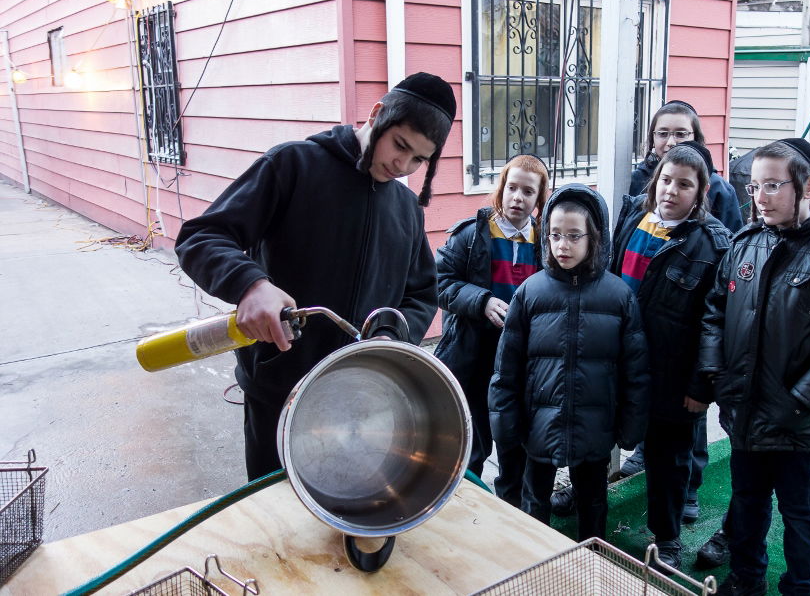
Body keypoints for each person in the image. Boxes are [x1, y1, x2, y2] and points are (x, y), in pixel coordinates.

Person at [175, 72, 456, 481]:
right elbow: (201, 237)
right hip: (278, 388)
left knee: (342, 504)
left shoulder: (407, 209)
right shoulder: (294, 165)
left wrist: (392, 336)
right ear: (377, 114)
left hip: (360, 400)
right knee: (275, 515)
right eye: (400, 145)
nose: (403, 165)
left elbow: (419, 295)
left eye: (418, 159)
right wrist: (251, 284)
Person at [690, 138, 810, 596]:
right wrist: (719, 375)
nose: (760, 197)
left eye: (773, 185)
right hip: (744, 409)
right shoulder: (745, 244)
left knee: (802, 511)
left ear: (808, 186)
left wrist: (802, 401)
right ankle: (746, 578)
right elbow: (716, 309)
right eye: (754, 186)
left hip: (800, 421)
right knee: (748, 502)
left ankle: (801, 587)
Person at [488, 184, 650, 540]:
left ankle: (592, 559)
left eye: (574, 236)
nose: (563, 245)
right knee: (535, 499)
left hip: (595, 424)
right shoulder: (530, 292)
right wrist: (506, 425)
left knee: (593, 499)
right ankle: (538, 560)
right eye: (555, 235)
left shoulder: (618, 296)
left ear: (594, 237)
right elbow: (506, 369)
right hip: (538, 424)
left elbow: (635, 371)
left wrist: (630, 426)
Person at [610, 144, 732, 570]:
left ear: (700, 191)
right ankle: (589, 498)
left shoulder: (713, 244)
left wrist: (702, 384)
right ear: (654, 181)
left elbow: (715, 322)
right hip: (621, 360)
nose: (671, 190)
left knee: (668, 460)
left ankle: (668, 538)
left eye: (684, 184)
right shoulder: (634, 221)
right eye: (666, 180)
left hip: (673, 374)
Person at [434, 154, 550, 506]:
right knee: (472, 439)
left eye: (528, 192)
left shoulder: (545, 243)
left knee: (514, 444)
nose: (518, 197)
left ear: (539, 199)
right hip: (474, 358)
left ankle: (510, 510)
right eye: (512, 188)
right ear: (500, 188)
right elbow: (439, 283)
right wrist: (480, 300)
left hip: (521, 364)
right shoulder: (470, 236)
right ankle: (463, 503)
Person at [629, 100, 743, 232]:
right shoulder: (636, 181)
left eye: (681, 134)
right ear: (652, 138)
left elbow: (731, 244)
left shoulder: (720, 189)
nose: (671, 142)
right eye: (663, 133)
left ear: (696, 137)